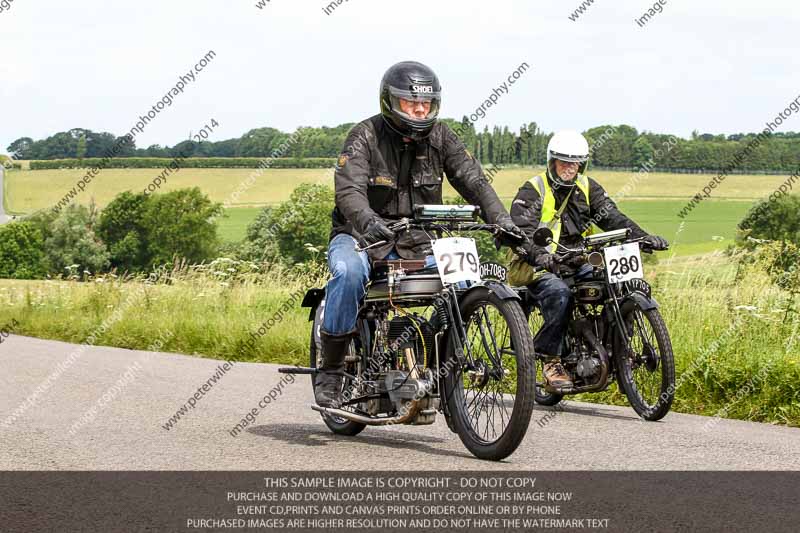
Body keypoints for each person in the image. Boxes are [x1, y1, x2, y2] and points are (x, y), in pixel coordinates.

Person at [315, 60, 523, 408]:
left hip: (417, 241)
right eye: (411, 103)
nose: (420, 110)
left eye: (426, 103)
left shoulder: (442, 137)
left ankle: (431, 355)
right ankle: (332, 370)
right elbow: (349, 191)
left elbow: (474, 181)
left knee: (464, 280)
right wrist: (368, 221)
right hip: (361, 236)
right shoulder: (364, 135)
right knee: (349, 273)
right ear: (390, 102)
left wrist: (502, 220)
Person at [507, 130, 669, 390]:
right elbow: (519, 232)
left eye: (575, 163)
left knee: (615, 285)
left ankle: (616, 349)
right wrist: (541, 255)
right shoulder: (533, 189)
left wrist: (644, 238)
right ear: (552, 162)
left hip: (578, 259)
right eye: (564, 162)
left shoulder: (588, 186)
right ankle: (551, 360)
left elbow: (613, 218)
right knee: (560, 293)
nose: (569, 168)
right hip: (537, 264)